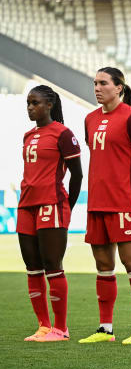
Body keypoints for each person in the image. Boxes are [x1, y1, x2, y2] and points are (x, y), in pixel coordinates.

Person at [78, 67, 131, 345]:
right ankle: (105, 328)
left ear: (119, 88)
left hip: (124, 204)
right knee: (103, 265)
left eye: (103, 83)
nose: (97, 88)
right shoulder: (89, 119)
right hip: (97, 203)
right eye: (95, 83)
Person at [19, 85, 83, 342]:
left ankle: (61, 328)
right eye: (28, 103)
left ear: (49, 105)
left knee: (52, 266)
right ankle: (43, 326)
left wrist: (68, 206)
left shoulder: (63, 134)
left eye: (35, 103)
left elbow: (77, 174)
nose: (30, 107)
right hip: (26, 205)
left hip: (51, 205)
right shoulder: (27, 136)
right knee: (32, 267)